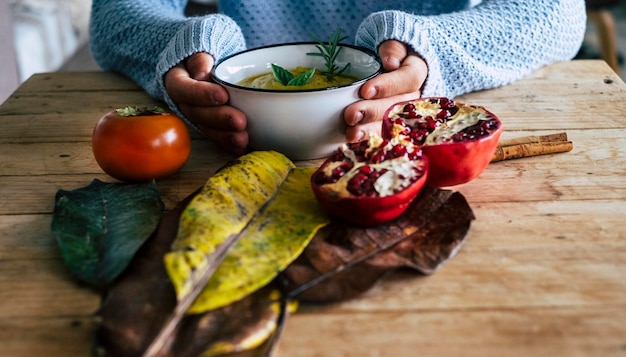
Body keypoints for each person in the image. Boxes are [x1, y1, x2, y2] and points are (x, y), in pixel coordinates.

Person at [89, 0, 586, 156]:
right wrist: (181, 46)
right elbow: (111, 14)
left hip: (409, 146)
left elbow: (559, 12)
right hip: (228, 143)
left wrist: (432, 53)